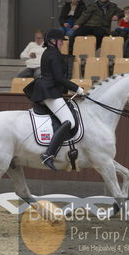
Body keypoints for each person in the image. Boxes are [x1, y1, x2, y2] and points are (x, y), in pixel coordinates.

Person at [25, 29, 85, 171]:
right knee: (69, 122)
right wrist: (77, 89)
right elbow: (59, 78)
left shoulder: (50, 53)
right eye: (60, 41)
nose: (62, 44)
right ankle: (48, 154)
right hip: (49, 92)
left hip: (50, 89)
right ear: (53, 41)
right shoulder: (53, 54)